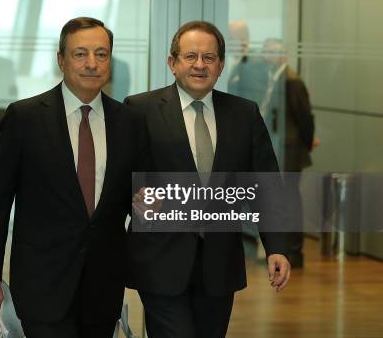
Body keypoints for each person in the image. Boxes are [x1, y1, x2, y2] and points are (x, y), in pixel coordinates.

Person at [0, 17, 149, 338]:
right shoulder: (24, 118)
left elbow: (132, 198)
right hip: (42, 281)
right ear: (61, 60)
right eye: (80, 54)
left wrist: (145, 205)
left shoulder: (130, 122)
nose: (92, 64)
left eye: (102, 54)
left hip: (103, 283)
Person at [125, 21, 291, 338]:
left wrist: (276, 247)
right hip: (159, 261)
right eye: (190, 56)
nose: (200, 65)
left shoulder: (244, 113)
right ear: (172, 63)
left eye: (209, 57)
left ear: (221, 65)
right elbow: (121, 179)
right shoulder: (140, 110)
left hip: (220, 266)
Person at [263, 38, 316, 268]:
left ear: (283, 55)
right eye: (266, 52)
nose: (268, 56)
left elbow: (305, 118)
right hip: (281, 146)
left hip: (290, 149)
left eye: (272, 52)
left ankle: (294, 250)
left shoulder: (291, 81)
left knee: (290, 198)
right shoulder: (276, 77)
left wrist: (305, 143)